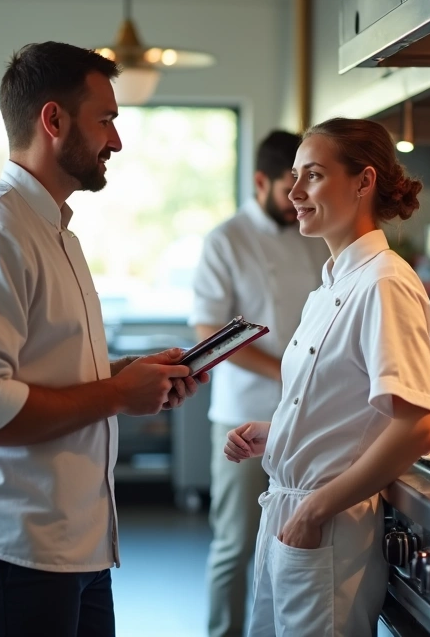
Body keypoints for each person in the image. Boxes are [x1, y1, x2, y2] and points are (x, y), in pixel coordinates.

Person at [0, 41, 206, 637]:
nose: (117, 142)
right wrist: (116, 395)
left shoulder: (54, 231)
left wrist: (129, 374)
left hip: (70, 541)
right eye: (107, 121)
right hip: (10, 545)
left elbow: (46, 369)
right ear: (54, 120)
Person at [222, 118, 430, 636]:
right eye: (294, 176)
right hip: (293, 513)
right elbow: (351, 410)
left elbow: (416, 427)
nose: (294, 192)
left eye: (313, 176)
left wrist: (314, 510)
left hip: (329, 523)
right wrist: (277, 437)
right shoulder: (332, 283)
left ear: (363, 182)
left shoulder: (385, 283)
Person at [190, 130, 326, 637]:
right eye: (289, 187)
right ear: (260, 181)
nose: (298, 201)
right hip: (242, 415)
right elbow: (207, 331)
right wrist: (287, 370)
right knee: (236, 543)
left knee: (298, 539)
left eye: (307, 185)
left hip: (307, 417)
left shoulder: (310, 235)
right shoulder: (225, 239)